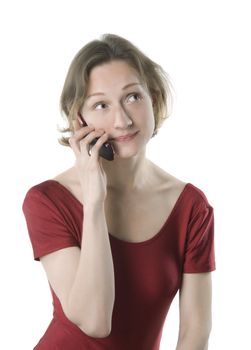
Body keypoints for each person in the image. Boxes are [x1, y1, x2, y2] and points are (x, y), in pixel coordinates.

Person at [22, 33, 216, 350]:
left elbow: (196, 331)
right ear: (79, 119)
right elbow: (95, 321)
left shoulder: (191, 207)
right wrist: (94, 202)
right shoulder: (47, 201)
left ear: (153, 98)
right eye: (101, 104)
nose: (122, 120)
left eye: (132, 97)